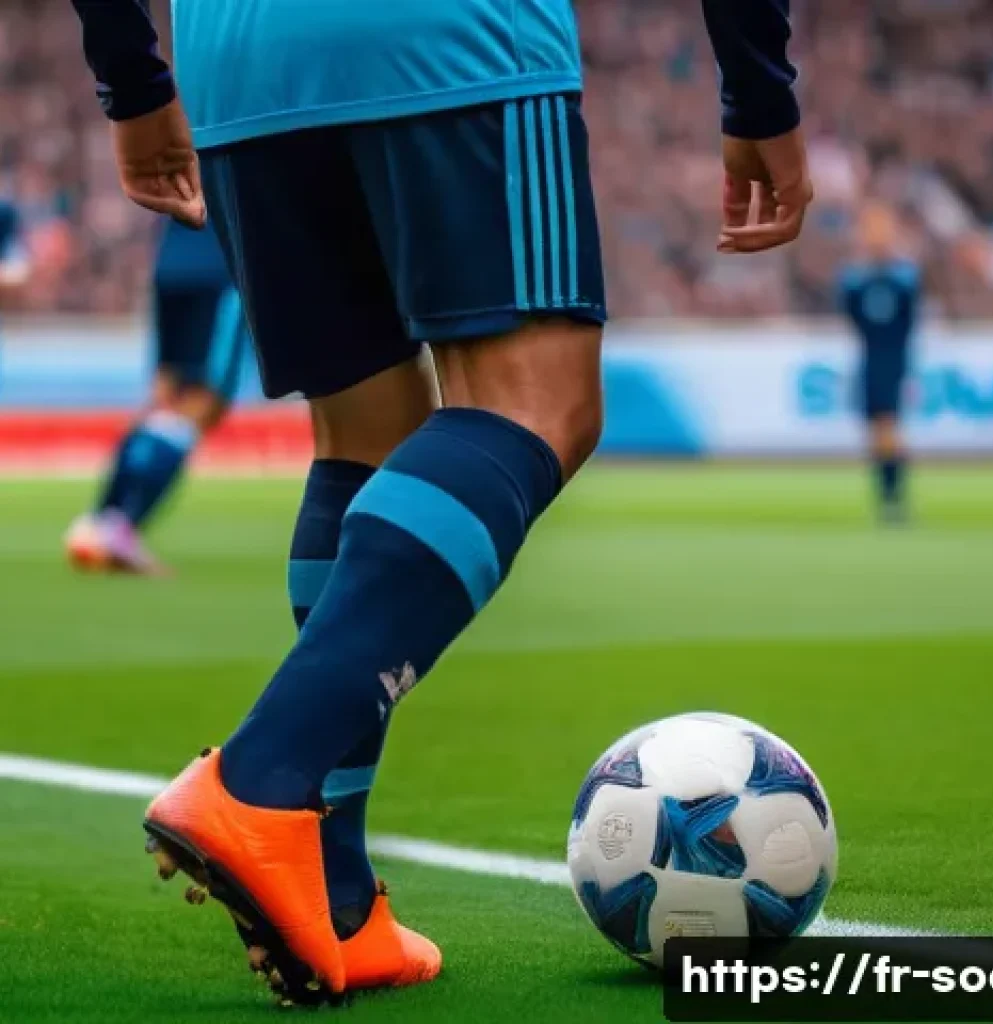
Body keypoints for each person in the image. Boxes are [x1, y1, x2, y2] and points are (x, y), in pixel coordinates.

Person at [70, 0, 813, 1005]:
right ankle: (257, 779)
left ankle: (333, 898)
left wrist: (132, 78)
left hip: (237, 58)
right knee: (535, 405)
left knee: (365, 432)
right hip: (450, 35)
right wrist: (758, 87)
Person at [65, 219, 248, 574]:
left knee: (164, 398)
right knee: (203, 403)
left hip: (170, 260)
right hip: (220, 264)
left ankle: (101, 519)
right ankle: (120, 526)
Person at [838, 204, 921, 523]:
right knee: (878, 430)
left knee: (886, 429)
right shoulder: (860, 280)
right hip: (874, 358)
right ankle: (889, 497)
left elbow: (906, 318)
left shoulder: (900, 279)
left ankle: (892, 496)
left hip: (890, 359)